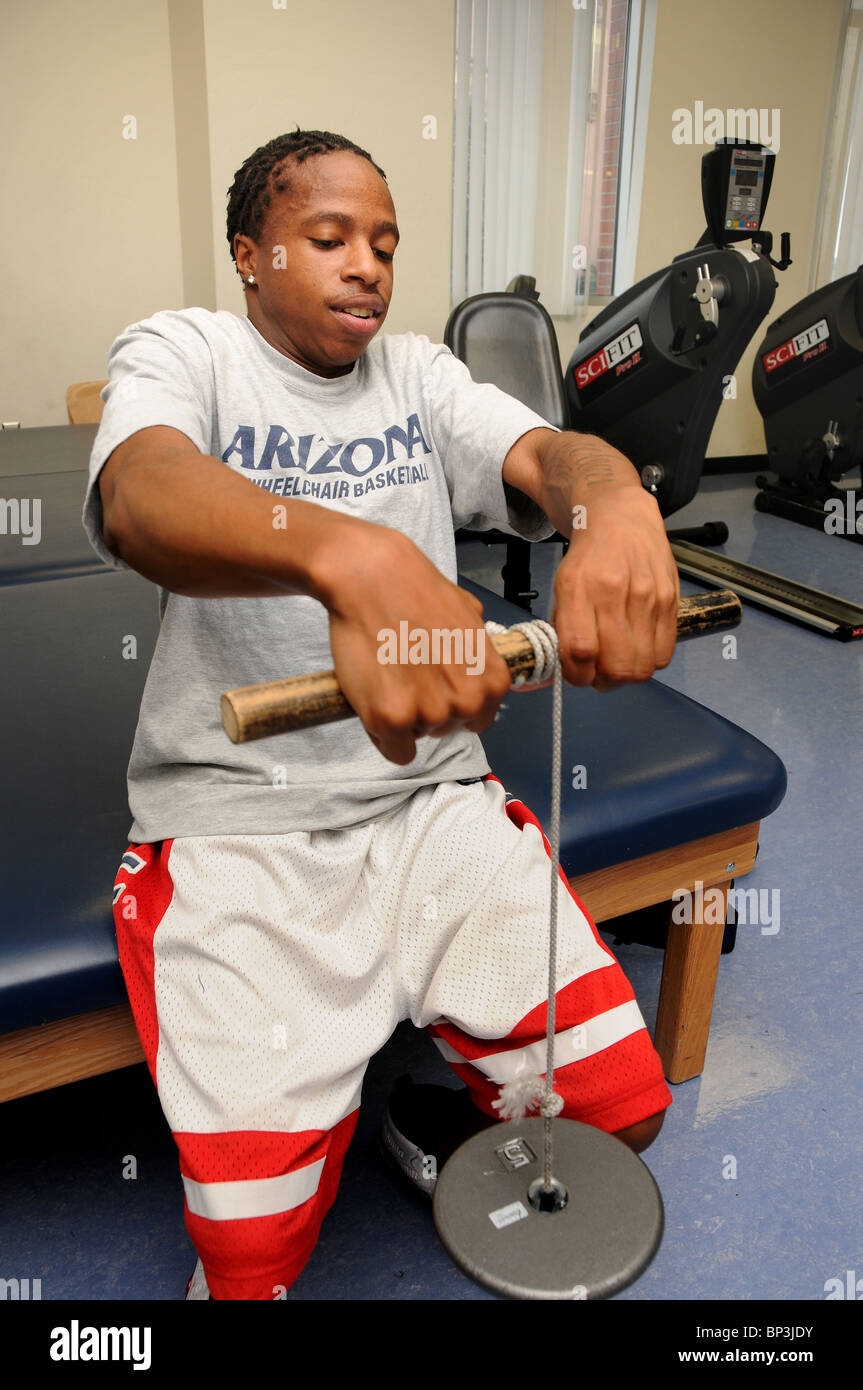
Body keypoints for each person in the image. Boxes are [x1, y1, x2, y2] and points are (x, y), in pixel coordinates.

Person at [83, 129, 680, 1302]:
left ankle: (432, 1132)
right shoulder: (186, 350)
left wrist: (611, 500)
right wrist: (341, 553)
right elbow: (140, 489)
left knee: (620, 1116)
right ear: (249, 254)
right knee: (247, 1263)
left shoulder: (415, 376)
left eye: (385, 244)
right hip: (239, 828)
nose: (366, 265)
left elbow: (544, 453)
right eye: (328, 238)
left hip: (430, 806)